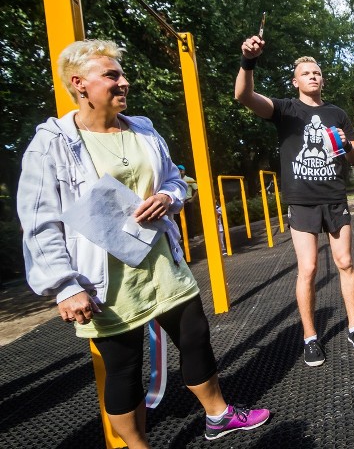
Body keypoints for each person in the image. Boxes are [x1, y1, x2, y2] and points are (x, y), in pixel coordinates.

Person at [17, 40, 269, 447]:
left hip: (161, 264)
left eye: (122, 73)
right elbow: (38, 221)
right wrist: (64, 285)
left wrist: (169, 196)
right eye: (112, 75)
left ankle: (219, 415)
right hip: (106, 280)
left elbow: (175, 179)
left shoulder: (143, 130)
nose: (124, 82)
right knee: (123, 365)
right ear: (79, 83)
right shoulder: (52, 143)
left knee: (195, 336)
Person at [235, 35, 354, 367]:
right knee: (308, 269)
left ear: (322, 79)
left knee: (345, 263)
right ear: (295, 81)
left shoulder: (337, 113)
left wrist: (345, 144)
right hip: (302, 201)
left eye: (317, 72)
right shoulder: (286, 110)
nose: (312, 76)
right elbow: (243, 95)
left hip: (334, 198)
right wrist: (248, 61)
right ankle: (310, 338)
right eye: (306, 73)